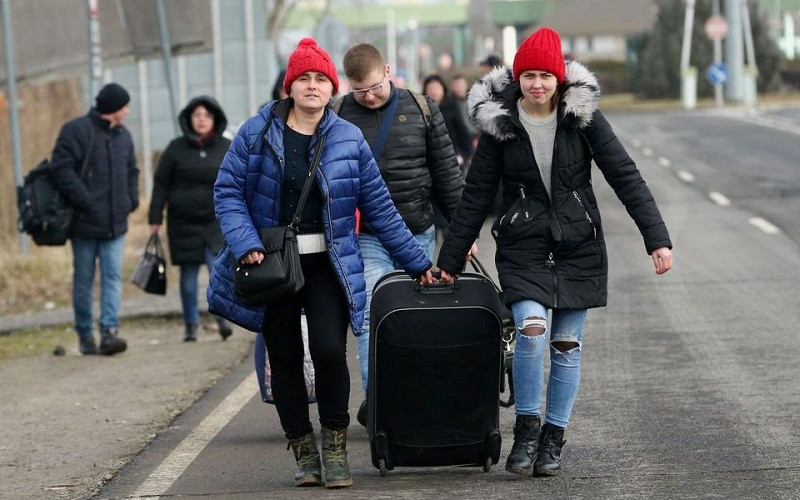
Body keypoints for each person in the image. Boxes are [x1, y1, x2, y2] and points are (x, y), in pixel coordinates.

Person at [437, 27, 674, 477]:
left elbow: (624, 174)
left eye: (546, 75)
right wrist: (449, 261)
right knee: (530, 330)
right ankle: (526, 427)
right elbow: (475, 194)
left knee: (566, 344)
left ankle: (553, 437)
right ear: (518, 78)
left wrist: (656, 239)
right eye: (529, 75)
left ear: (560, 79)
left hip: (578, 247)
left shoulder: (582, 118)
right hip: (523, 246)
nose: (538, 84)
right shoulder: (499, 124)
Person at [207, 37, 436, 489]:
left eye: (320, 79)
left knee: (330, 351)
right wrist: (245, 241)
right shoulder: (257, 132)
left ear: (332, 88)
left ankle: (334, 446)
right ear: (290, 86)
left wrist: (417, 263)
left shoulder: (348, 139)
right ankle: (303, 448)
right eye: (304, 78)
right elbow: (227, 192)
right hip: (273, 265)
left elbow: (380, 208)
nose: (312, 86)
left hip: (328, 264)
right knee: (286, 356)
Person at [334, 43, 473, 426]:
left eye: (376, 86)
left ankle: (414, 399)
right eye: (360, 90)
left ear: (389, 71)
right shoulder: (338, 115)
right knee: (369, 318)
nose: (370, 96)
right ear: (349, 86)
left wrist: (463, 235)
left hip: (419, 234)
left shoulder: (422, 108)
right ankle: (380, 403)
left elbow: (447, 175)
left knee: (417, 320)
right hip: (365, 238)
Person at [50, 83, 139, 356]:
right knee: (84, 280)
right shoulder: (76, 131)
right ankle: (85, 334)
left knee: (112, 277)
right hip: (84, 224)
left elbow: (132, 171)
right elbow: (61, 169)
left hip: (115, 224)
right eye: (124, 106)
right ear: (113, 109)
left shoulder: (124, 136)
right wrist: (86, 202)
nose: (127, 111)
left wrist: (130, 201)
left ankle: (109, 332)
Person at [147, 96, 233, 342]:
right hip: (183, 222)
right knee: (188, 275)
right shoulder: (175, 149)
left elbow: (240, 182)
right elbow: (161, 184)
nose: (201, 120)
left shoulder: (226, 147)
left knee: (217, 270)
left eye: (206, 115)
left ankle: (223, 319)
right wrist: (155, 216)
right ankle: (191, 325)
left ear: (215, 119)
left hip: (216, 221)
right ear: (189, 120)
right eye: (197, 115)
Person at [422, 74, 473, 165]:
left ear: (443, 89)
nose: (433, 92)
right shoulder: (421, 109)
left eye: (436, 88)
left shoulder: (452, 106)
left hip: (452, 155)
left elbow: (462, 131)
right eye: (430, 89)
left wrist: (466, 154)